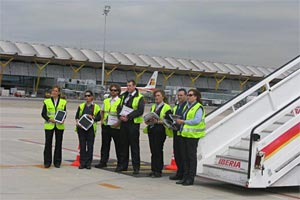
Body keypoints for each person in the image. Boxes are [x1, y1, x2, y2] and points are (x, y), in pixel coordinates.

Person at [175, 89, 206, 186]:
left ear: (196, 97)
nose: (188, 96)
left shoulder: (198, 107)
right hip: (185, 135)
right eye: (188, 95)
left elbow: (196, 120)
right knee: (184, 157)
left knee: (191, 157)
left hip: (193, 136)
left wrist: (183, 122)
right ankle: (185, 176)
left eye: (190, 95)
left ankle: (190, 178)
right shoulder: (188, 107)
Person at [116, 80, 145, 174]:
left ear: (134, 86)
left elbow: (140, 111)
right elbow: (119, 107)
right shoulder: (123, 96)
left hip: (133, 124)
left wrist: (128, 117)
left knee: (134, 146)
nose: (128, 87)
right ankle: (123, 166)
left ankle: (136, 167)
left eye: (130, 86)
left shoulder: (139, 97)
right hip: (124, 123)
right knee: (123, 145)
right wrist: (120, 115)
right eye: (127, 85)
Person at [144, 89, 173, 178]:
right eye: (155, 96)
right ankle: (153, 169)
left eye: (158, 96)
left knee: (158, 150)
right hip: (152, 129)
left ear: (163, 97)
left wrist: (158, 121)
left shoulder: (167, 107)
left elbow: (169, 121)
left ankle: (158, 170)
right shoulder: (153, 106)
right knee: (153, 151)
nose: (156, 97)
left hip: (160, 130)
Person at [95, 84, 122, 169]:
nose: (113, 92)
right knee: (105, 145)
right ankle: (103, 162)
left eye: (115, 90)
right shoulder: (106, 100)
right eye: (111, 90)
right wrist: (102, 120)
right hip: (106, 125)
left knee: (118, 146)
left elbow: (122, 113)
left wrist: (118, 123)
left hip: (116, 126)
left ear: (118, 92)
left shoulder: (120, 101)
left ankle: (120, 163)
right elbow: (102, 111)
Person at [41, 85, 67, 168]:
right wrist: (49, 119)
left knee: (58, 144)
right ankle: (47, 162)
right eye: (53, 91)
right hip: (49, 125)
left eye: (56, 91)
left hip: (59, 125)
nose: (54, 92)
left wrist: (63, 119)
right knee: (48, 143)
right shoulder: (47, 101)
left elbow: (64, 113)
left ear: (59, 93)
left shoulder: (63, 102)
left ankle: (57, 162)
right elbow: (43, 114)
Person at [75, 90, 101, 169]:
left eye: (89, 96)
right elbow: (77, 116)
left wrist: (92, 117)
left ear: (92, 97)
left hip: (91, 129)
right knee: (82, 146)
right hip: (81, 128)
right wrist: (78, 123)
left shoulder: (96, 107)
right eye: (86, 96)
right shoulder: (81, 106)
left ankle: (88, 163)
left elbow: (99, 118)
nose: (87, 97)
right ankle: (82, 163)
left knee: (90, 146)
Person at [169, 88, 187, 181]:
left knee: (183, 154)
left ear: (185, 96)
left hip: (183, 132)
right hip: (176, 131)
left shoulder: (186, 106)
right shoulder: (177, 106)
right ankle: (179, 172)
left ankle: (184, 173)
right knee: (177, 153)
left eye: (181, 95)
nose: (179, 97)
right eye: (178, 95)